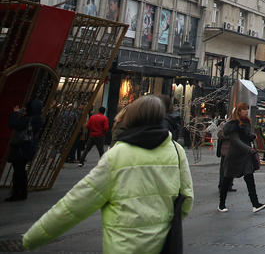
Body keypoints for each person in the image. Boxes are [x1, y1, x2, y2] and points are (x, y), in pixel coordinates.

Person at [21, 94, 193, 253]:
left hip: (123, 246)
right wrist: (165, 224)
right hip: (165, 245)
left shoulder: (117, 154)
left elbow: (76, 203)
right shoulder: (176, 151)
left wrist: (32, 238)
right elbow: (187, 199)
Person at [218, 102, 265, 214]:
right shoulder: (233, 124)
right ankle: (221, 204)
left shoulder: (246, 122)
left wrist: (252, 137)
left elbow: (246, 137)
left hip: (245, 157)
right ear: (239, 111)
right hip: (234, 156)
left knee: (250, 179)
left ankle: (255, 204)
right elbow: (235, 141)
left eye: (247, 109)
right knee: (226, 180)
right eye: (244, 109)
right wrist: (250, 149)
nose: (246, 111)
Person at [5, 104, 37, 202]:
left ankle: (17, 194)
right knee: (21, 172)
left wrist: (15, 113)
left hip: (20, 149)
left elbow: (13, 124)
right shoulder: (31, 119)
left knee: (18, 172)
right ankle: (22, 192)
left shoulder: (26, 120)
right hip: (25, 149)